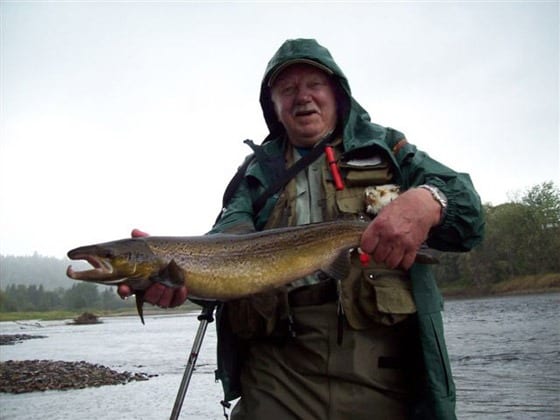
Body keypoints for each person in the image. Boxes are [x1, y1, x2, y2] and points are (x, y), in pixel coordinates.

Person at [119, 38, 484, 419]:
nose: (302, 98)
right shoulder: (253, 177)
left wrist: (430, 201)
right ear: (273, 106)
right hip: (277, 372)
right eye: (287, 89)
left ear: (337, 93)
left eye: (314, 85)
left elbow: (471, 221)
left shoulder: (390, 148)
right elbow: (224, 245)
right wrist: (171, 272)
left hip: (383, 367)